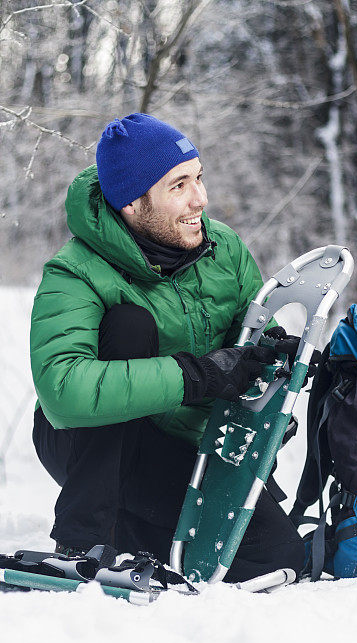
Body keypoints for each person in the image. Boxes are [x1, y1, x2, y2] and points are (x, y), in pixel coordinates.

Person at [30, 112, 305, 582]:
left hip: (174, 446)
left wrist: (275, 381)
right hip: (86, 439)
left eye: (198, 178)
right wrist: (198, 375)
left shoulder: (225, 250)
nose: (200, 198)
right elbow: (63, 389)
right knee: (129, 324)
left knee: (278, 557)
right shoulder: (75, 271)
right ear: (134, 203)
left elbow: (252, 345)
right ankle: (82, 539)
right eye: (178, 186)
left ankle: (127, 533)